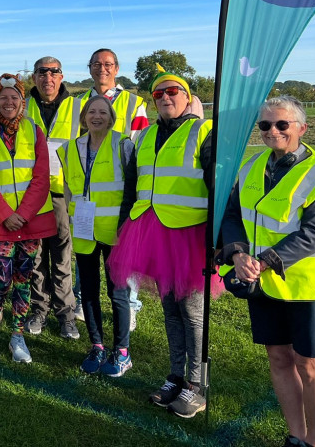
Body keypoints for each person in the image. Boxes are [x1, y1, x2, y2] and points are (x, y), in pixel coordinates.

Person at [219, 96, 315, 447]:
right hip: (263, 283)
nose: (273, 131)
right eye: (265, 125)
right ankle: (296, 436)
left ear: (302, 128)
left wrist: (264, 260)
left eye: (282, 124)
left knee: (311, 365)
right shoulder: (251, 167)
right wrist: (239, 254)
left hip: (307, 286)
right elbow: (232, 216)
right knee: (279, 357)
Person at [108, 67, 220, 419]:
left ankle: (196, 385)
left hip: (190, 234)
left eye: (173, 91)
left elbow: (219, 187)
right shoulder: (143, 137)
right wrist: (125, 226)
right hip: (151, 233)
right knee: (170, 309)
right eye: (158, 94)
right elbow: (132, 187)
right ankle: (175, 376)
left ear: (188, 97)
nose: (166, 98)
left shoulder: (204, 130)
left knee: (192, 312)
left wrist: (218, 239)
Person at [0, 74, 54, 364]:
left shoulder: (34, 130)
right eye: (3, 97)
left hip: (30, 222)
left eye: (14, 97)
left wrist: (22, 214)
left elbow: (41, 176)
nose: (9, 102)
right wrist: (6, 215)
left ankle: (17, 334)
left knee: (23, 279)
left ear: (22, 102)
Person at [60, 96, 135, 376]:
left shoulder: (123, 144)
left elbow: (132, 187)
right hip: (83, 229)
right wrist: (71, 211)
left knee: (118, 293)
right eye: (91, 111)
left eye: (103, 112)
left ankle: (122, 351)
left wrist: (127, 223)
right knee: (88, 291)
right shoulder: (70, 148)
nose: (97, 116)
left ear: (111, 117)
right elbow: (68, 184)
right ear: (83, 117)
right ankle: (97, 345)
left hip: (115, 231)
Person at [74, 48, 149, 329]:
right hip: (88, 190)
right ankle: (81, 299)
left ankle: (129, 306)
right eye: (96, 63)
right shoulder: (77, 101)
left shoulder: (133, 102)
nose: (102, 68)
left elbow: (141, 144)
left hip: (123, 190)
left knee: (125, 249)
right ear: (89, 68)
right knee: (87, 240)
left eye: (107, 64)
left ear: (116, 68)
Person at [24, 57, 81, 340]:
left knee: (61, 257)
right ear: (34, 77)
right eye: (42, 72)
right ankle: (39, 310)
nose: (48, 76)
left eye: (54, 72)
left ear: (62, 76)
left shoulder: (77, 106)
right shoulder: (23, 105)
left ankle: (66, 315)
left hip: (63, 193)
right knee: (35, 258)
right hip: (31, 194)